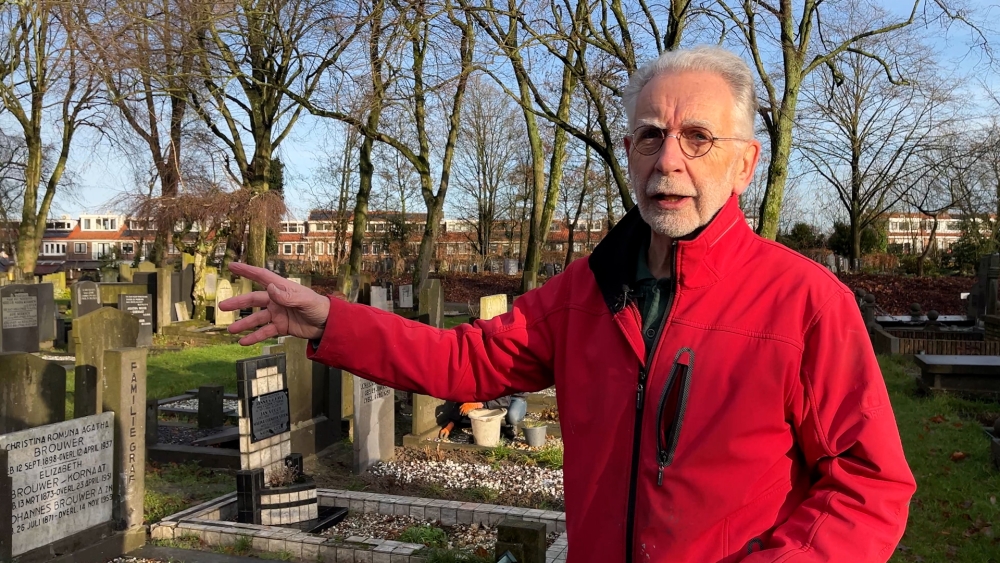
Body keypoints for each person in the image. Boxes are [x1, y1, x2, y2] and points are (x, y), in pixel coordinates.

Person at [220, 46, 915, 563]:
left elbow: (871, 484)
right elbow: (466, 358)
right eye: (650, 135)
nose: (668, 159)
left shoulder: (806, 304)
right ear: (629, 152)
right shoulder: (589, 288)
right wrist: (331, 319)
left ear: (745, 163)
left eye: (697, 137)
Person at [438, 394, 528, 441]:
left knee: (512, 415)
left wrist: (478, 404)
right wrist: (449, 426)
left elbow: (504, 401)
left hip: (515, 397)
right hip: (495, 394)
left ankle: (510, 425)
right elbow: (464, 401)